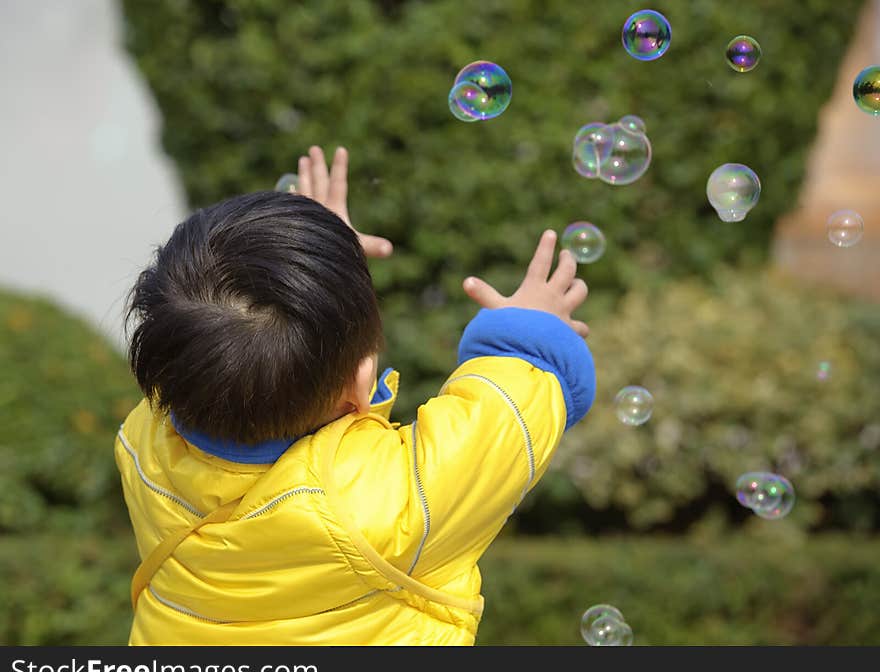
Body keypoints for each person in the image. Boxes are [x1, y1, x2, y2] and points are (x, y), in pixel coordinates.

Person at [115, 145, 595, 645]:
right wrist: (533, 330)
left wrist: (307, 258)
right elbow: (510, 413)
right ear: (362, 381)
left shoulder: (143, 443)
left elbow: (227, 339)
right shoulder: (394, 508)